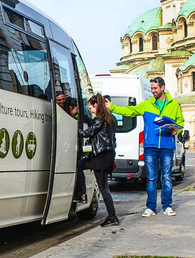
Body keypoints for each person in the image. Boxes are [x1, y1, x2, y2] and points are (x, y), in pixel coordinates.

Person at [106, 77, 184, 217]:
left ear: (162, 88)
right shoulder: (146, 105)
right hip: (150, 146)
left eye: (155, 88)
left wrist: (176, 129)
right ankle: (151, 207)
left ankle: (167, 206)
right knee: (151, 178)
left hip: (167, 146)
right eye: (152, 88)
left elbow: (181, 122)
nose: (153, 91)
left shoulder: (174, 105)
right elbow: (129, 111)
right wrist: (111, 107)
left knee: (166, 177)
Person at [76, 94, 118, 226]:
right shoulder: (109, 118)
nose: (90, 111)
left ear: (96, 105)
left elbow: (87, 132)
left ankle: (112, 216)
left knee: (103, 187)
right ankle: (81, 192)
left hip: (100, 156)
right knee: (82, 167)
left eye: (91, 108)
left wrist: (74, 128)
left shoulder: (100, 120)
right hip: (106, 155)